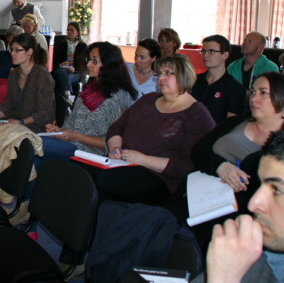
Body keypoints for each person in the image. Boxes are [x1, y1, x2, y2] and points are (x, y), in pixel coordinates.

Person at [86, 55, 216, 204]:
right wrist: (115, 147)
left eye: (168, 73)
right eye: (159, 73)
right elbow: (117, 127)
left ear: (184, 76)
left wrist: (143, 159)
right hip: (123, 164)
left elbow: (188, 165)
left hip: (159, 179)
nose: (161, 78)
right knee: (87, 182)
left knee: (91, 177)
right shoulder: (148, 100)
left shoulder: (197, 115)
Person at [191, 129, 284, 283]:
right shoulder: (261, 255)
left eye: (277, 190)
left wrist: (223, 278)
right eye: (261, 184)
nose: (253, 204)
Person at [192, 72, 284, 208]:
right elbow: (198, 149)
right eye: (253, 91)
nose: (253, 98)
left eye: (263, 93)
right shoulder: (236, 121)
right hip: (200, 189)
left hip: (241, 206)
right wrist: (220, 166)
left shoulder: (280, 145)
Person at [41, 42, 136, 161]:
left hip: (92, 155)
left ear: (109, 65)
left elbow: (110, 144)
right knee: (34, 147)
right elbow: (69, 127)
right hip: (71, 146)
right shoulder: (87, 92)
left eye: (95, 61)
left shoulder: (118, 97)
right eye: (88, 60)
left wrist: (76, 137)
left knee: (37, 144)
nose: (88, 64)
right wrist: (58, 132)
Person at [0, 33, 55, 134]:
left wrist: (20, 122)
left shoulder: (42, 76)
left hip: (36, 127)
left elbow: (43, 113)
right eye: (12, 50)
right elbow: (8, 104)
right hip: (15, 122)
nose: (12, 53)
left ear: (30, 52)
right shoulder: (14, 74)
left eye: (17, 50)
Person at [192, 34, 247, 125]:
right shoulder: (193, 81)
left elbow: (231, 125)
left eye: (211, 51)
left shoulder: (235, 89)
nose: (205, 55)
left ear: (225, 55)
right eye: (204, 51)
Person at [51, 22, 87, 98]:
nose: (69, 32)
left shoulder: (82, 46)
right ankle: (67, 95)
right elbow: (56, 61)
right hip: (62, 70)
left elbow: (83, 64)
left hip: (75, 72)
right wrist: (62, 64)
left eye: (72, 30)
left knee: (66, 79)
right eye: (68, 30)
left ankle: (65, 97)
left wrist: (73, 69)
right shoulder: (62, 44)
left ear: (78, 33)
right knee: (62, 73)